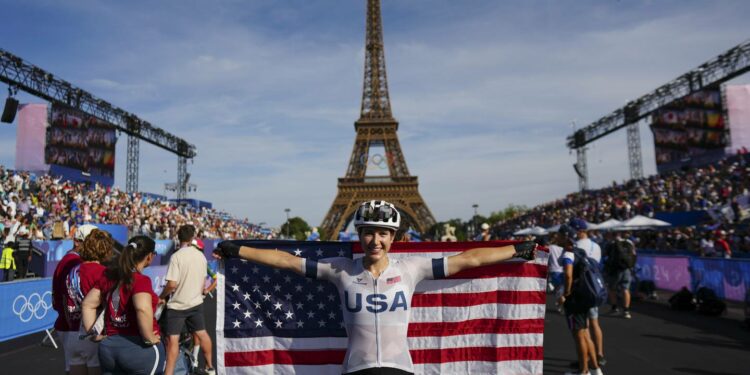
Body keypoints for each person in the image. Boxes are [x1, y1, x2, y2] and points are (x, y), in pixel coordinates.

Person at [213, 200, 537, 375]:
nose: (375, 240)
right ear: (359, 235)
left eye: (383, 233)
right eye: (368, 232)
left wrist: (515, 250)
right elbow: (285, 261)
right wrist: (237, 250)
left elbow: (469, 260)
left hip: (400, 370)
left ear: (393, 238)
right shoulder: (339, 270)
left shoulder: (412, 269)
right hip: (357, 369)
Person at [81, 236, 165, 375]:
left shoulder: (109, 276)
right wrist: (149, 337)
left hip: (109, 347)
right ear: (149, 256)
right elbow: (142, 308)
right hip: (139, 347)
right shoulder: (141, 280)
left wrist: (93, 334)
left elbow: (88, 304)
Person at [159, 225, 214, 375]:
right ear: (192, 238)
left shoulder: (176, 256)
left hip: (177, 306)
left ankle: (169, 372)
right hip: (195, 303)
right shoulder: (200, 256)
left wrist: (161, 296)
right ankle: (210, 367)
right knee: (203, 334)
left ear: (178, 237)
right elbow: (203, 281)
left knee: (173, 340)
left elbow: (171, 284)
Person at [555, 224, 604, 375]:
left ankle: (584, 371)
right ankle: (595, 368)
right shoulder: (580, 251)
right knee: (585, 334)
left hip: (575, 300)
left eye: (559, 235)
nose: (556, 238)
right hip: (584, 298)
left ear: (565, 237)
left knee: (579, 336)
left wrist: (566, 294)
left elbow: (568, 274)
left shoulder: (568, 253)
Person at [66, 229, 114, 375]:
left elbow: (66, 300)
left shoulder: (73, 270)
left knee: (76, 363)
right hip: (93, 330)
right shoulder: (103, 272)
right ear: (105, 250)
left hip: (73, 331)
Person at [52, 224, 98, 375]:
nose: (96, 246)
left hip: (74, 325)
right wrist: (72, 324)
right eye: (91, 242)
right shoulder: (74, 262)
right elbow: (66, 297)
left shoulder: (72, 259)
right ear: (77, 242)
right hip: (75, 326)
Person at [569, 218, 605, 367]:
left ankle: (587, 359)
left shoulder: (575, 246)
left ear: (578, 230)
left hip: (581, 288)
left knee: (584, 328)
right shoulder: (596, 246)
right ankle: (600, 354)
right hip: (595, 286)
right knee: (595, 323)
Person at [603, 232, 635, 319]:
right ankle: (626, 310)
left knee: (612, 288)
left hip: (615, 270)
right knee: (625, 289)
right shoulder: (629, 242)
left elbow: (606, 255)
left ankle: (614, 308)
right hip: (626, 269)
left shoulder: (611, 243)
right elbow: (634, 254)